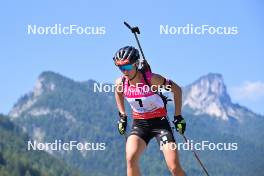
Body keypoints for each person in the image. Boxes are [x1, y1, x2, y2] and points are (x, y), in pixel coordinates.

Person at [113, 46, 186, 176]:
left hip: (161, 124)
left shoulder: (152, 79)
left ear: (136, 64)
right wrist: (122, 116)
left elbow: (177, 90)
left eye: (127, 67)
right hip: (140, 125)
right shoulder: (121, 83)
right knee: (131, 159)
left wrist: (178, 116)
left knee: (174, 167)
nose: (125, 72)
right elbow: (118, 94)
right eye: (120, 68)